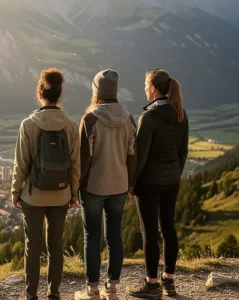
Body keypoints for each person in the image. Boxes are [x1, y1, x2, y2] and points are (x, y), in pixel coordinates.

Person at [11, 68, 80, 300]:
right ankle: (54, 293)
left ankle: (31, 295)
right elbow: (75, 164)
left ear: (40, 93)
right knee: (56, 245)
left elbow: (20, 164)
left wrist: (15, 192)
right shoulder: (71, 126)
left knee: (32, 245)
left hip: (33, 195)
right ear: (60, 95)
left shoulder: (28, 125)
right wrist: (73, 193)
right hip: (61, 195)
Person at [74, 70, 137, 300]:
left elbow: (84, 158)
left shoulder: (90, 119)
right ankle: (112, 290)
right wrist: (130, 182)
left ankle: (91, 291)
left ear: (96, 91)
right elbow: (132, 156)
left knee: (92, 236)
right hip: (120, 186)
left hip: (93, 187)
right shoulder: (129, 119)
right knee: (114, 236)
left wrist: (76, 188)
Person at [127, 69, 188, 299]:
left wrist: (132, 183)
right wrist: (175, 174)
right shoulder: (181, 114)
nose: (144, 89)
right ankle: (168, 280)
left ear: (153, 88)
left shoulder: (149, 117)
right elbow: (183, 152)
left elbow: (140, 156)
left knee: (149, 232)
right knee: (168, 228)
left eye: (145, 85)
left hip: (149, 183)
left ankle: (151, 285)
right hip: (172, 180)